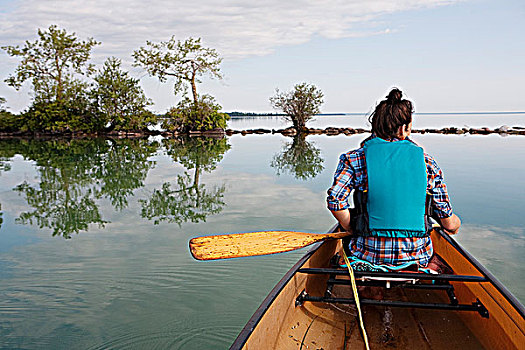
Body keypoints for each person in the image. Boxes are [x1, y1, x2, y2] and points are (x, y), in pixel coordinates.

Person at [326, 88, 461, 270]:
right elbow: (446, 219)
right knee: (446, 235)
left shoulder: (353, 159)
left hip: (366, 255)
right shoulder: (428, 163)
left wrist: (349, 226)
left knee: (351, 225)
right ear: (404, 128)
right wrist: (454, 225)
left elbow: (335, 200)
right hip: (417, 257)